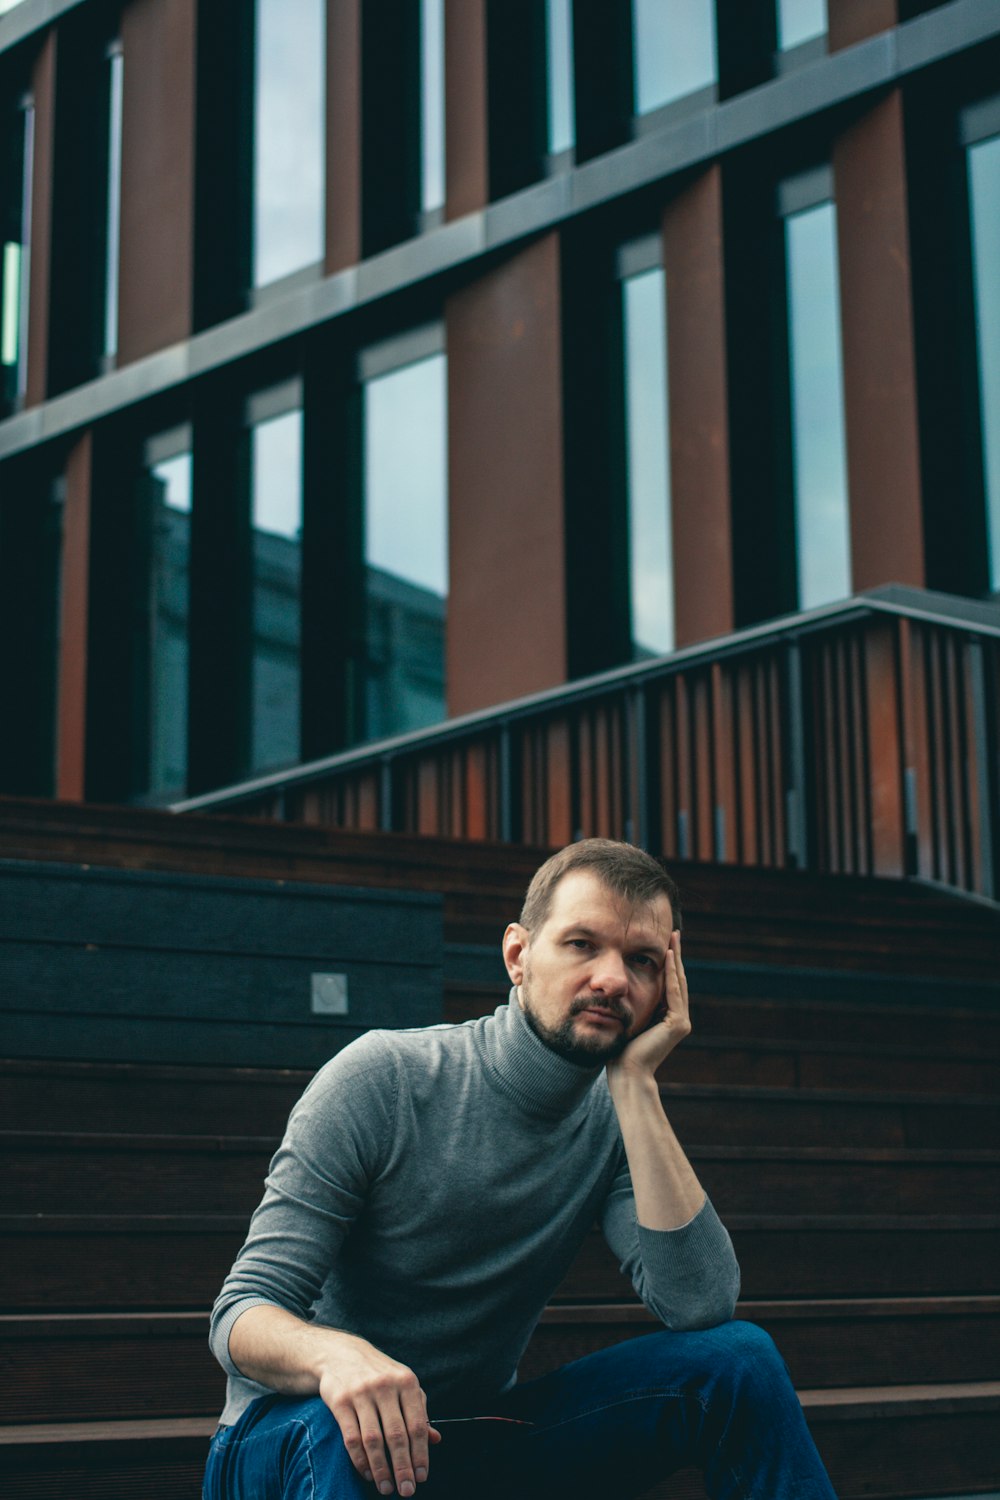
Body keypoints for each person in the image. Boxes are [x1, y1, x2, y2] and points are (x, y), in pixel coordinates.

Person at [204, 839, 837, 1500]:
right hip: (285, 1439)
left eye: (642, 960)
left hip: (463, 1444)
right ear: (518, 955)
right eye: (582, 945)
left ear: (665, 989)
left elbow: (701, 1306)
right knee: (340, 1425)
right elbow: (240, 1315)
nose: (614, 979)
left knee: (737, 1361)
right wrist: (338, 1358)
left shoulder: (618, 1118)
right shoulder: (383, 1079)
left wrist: (636, 1087)